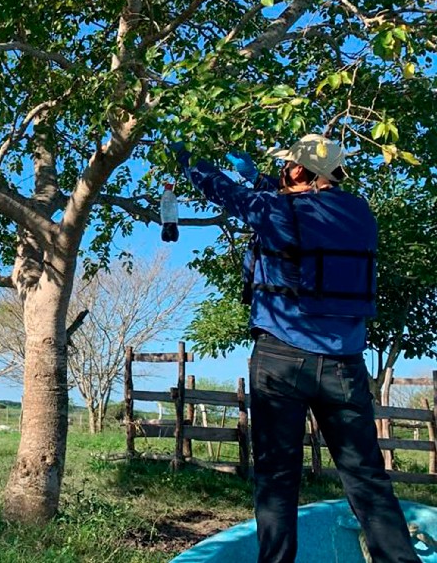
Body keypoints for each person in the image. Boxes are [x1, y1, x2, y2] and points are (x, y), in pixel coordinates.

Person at [171, 134, 420, 563]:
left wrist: (186, 159)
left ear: (300, 171)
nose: (284, 172)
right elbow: (304, 214)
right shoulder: (360, 213)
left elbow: (226, 193)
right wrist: (259, 177)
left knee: (277, 478)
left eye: (288, 167)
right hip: (344, 366)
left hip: (281, 360)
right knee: (366, 478)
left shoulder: (278, 211)